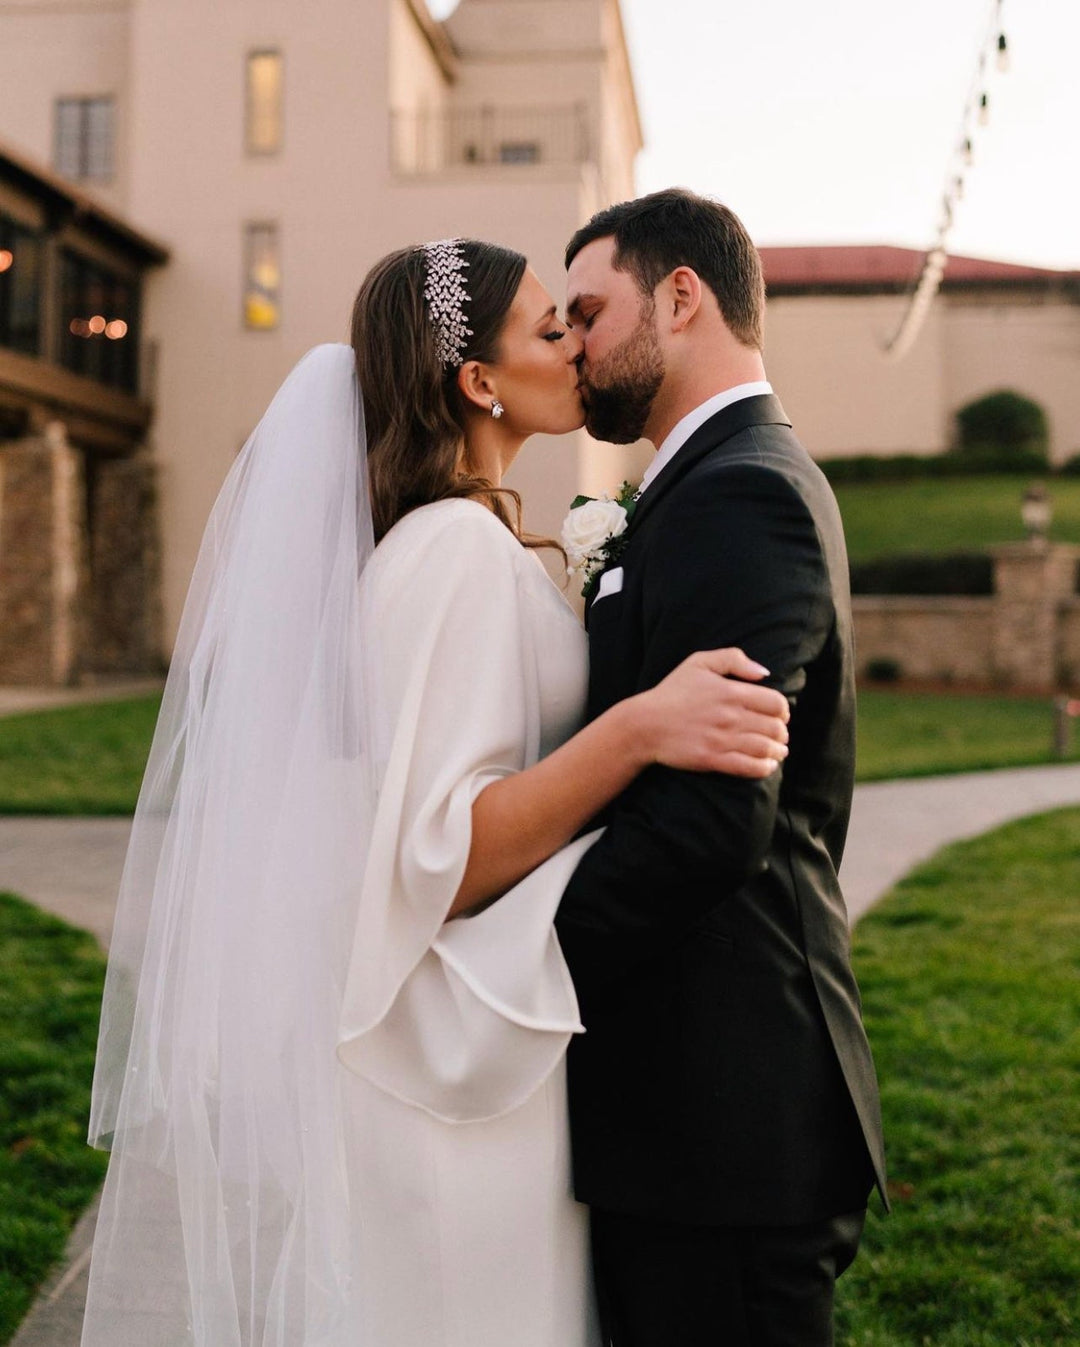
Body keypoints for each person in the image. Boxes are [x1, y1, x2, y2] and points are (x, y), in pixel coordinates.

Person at [79, 238, 790, 1347]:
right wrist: (639, 730)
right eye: (551, 329)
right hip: (452, 1091)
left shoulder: (469, 540)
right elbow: (439, 857)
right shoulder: (449, 553)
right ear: (478, 381)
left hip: (475, 1070)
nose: (577, 348)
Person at [553, 187, 888, 1347]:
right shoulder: (703, 486)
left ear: (681, 296)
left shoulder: (744, 491)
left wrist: (504, 949)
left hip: (729, 1120)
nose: (572, 343)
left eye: (589, 311)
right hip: (690, 1109)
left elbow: (711, 823)